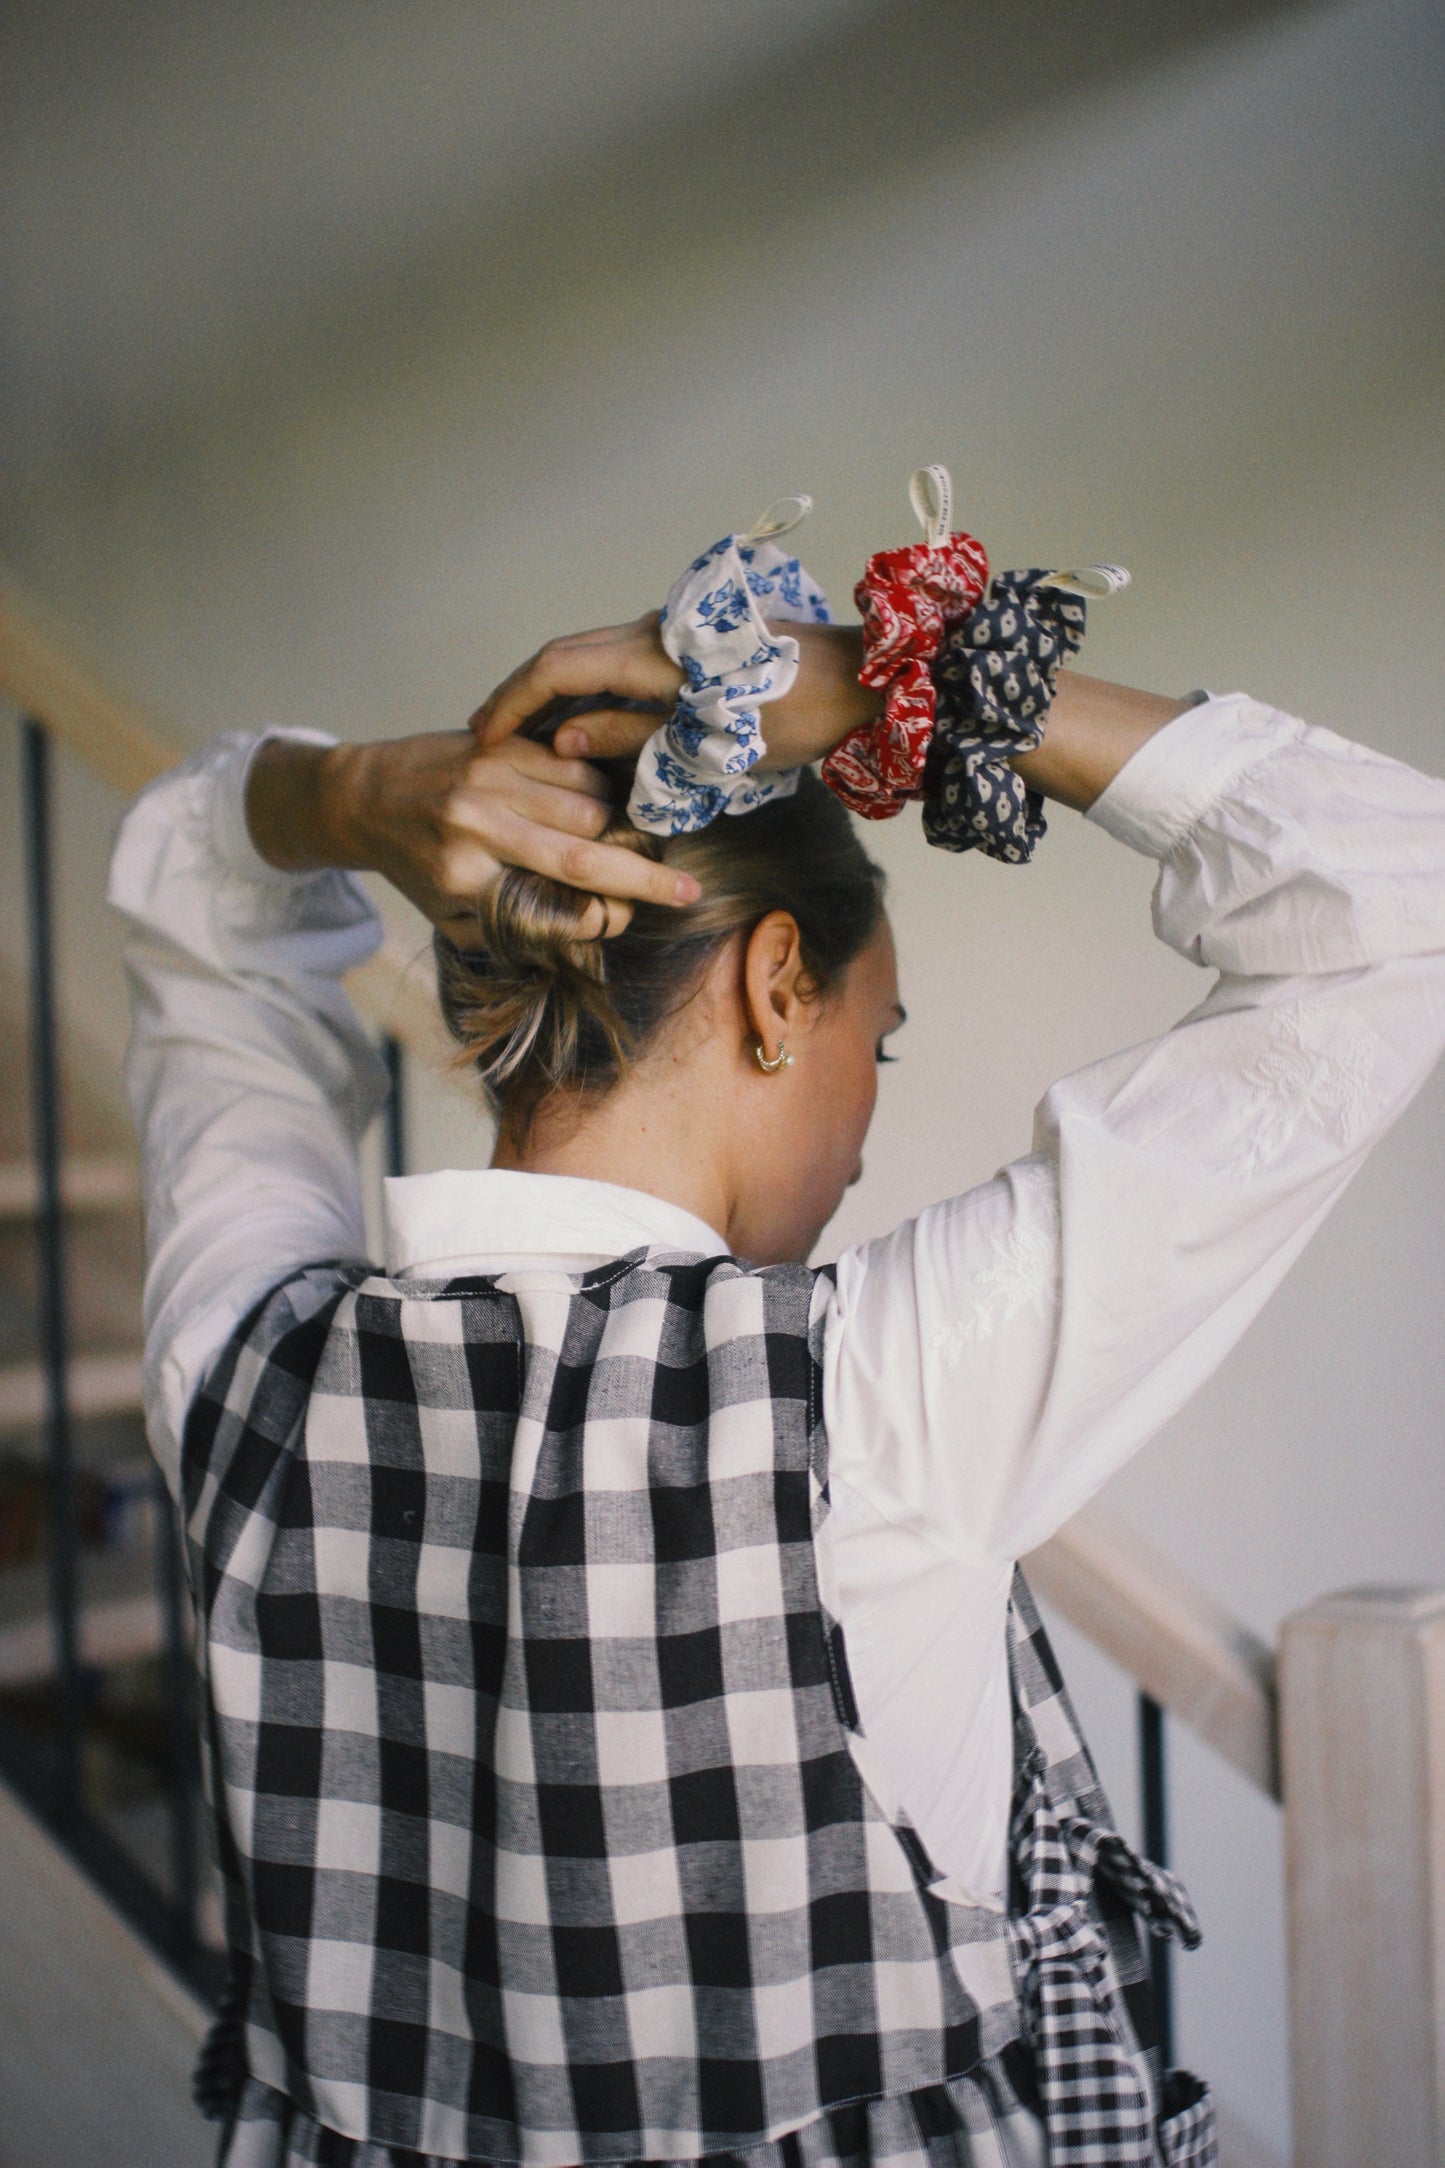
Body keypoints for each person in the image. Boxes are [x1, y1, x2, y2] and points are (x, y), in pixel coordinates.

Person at [110, 604, 1445, 2168]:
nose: (864, 1123)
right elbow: (1395, 900)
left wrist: (346, 804)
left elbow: (190, 889)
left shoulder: (238, 1359)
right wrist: (917, 682)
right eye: (874, 1047)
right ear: (773, 986)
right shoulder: (867, 1402)